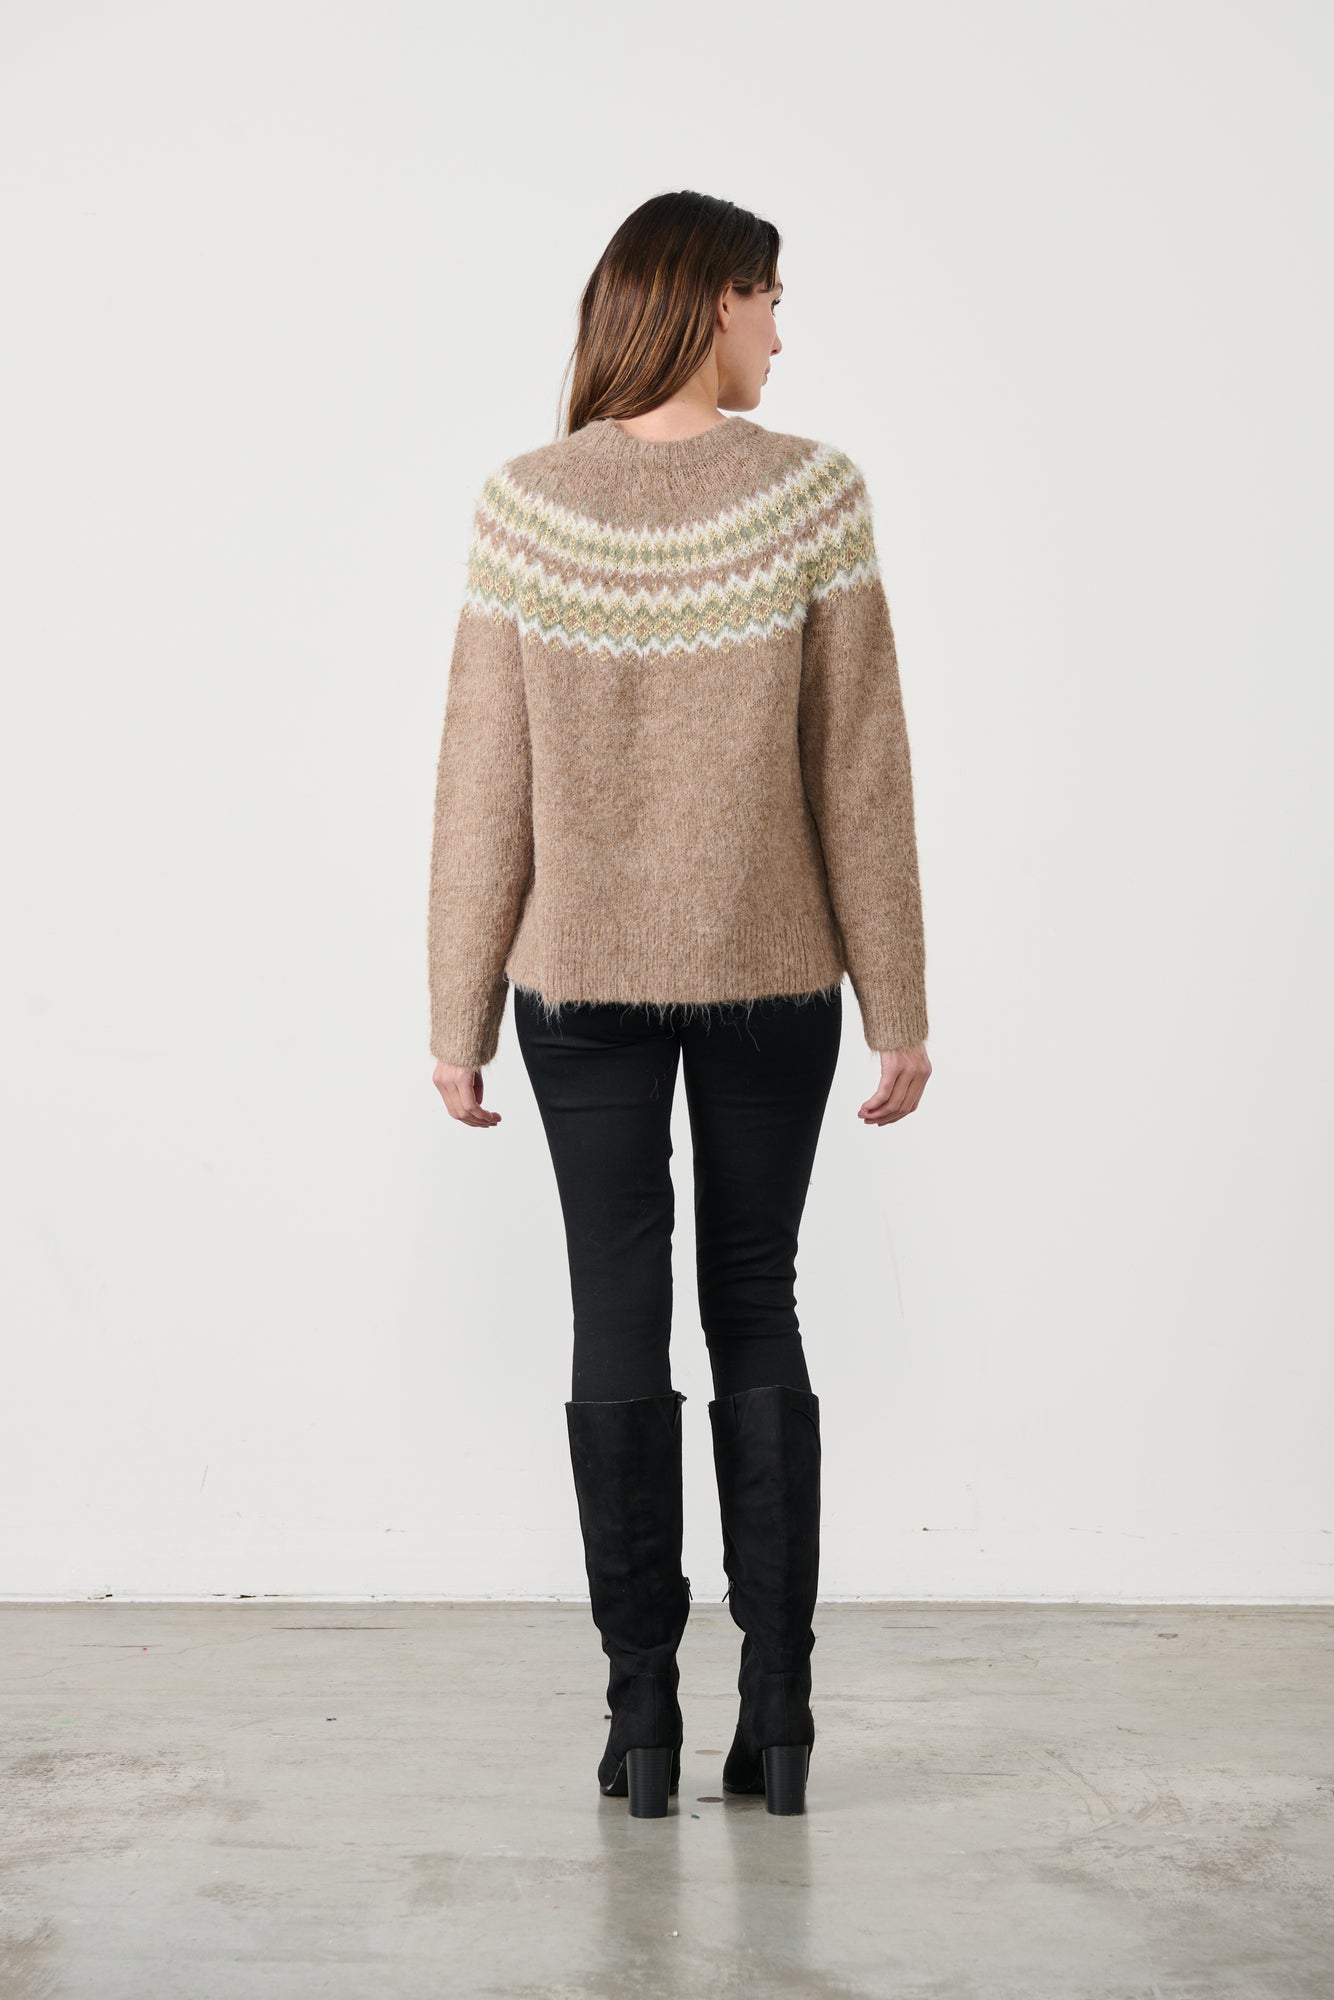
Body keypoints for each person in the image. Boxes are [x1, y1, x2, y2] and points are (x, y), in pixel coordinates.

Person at [426, 190, 931, 1819]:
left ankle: (639, 1717)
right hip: (771, 973)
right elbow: (859, 770)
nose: (782, 329)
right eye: (770, 296)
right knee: (755, 1301)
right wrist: (898, 999)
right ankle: (776, 1719)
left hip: (574, 985)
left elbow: (481, 780)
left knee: (613, 1310)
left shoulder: (527, 503)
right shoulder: (812, 494)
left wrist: (455, 1014)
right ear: (713, 301)